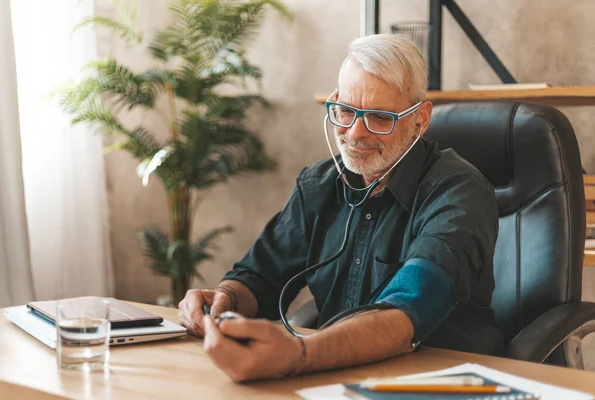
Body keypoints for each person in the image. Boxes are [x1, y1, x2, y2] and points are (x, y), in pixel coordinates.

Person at [178, 33, 504, 382]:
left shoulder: (459, 193)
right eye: (346, 111)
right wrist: (225, 300)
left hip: (440, 381)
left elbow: (406, 311)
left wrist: (298, 354)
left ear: (419, 120)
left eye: (379, 118)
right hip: (336, 376)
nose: (356, 132)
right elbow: (258, 277)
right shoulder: (318, 185)